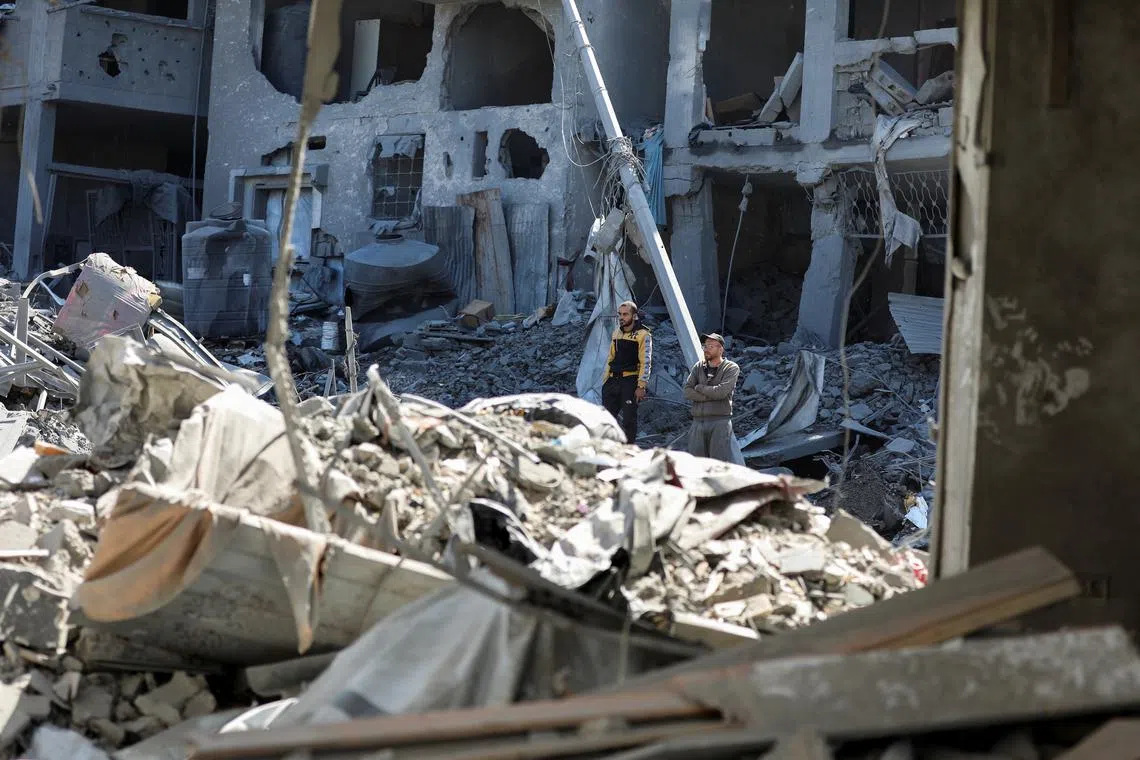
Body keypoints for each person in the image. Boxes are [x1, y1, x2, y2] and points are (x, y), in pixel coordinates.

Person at [683, 332, 740, 461]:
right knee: (696, 463)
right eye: (705, 346)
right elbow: (687, 391)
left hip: (719, 423)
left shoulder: (731, 368)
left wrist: (699, 387)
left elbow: (721, 392)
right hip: (698, 422)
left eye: (711, 346)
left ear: (721, 349)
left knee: (717, 464)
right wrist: (710, 396)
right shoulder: (698, 367)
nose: (706, 349)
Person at [601, 301, 652, 444]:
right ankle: (607, 450)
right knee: (606, 420)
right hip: (612, 381)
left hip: (629, 382)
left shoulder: (643, 334)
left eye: (625, 314)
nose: (621, 317)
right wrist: (606, 380)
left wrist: (641, 386)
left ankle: (628, 451)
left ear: (634, 316)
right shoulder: (617, 332)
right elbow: (611, 356)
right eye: (620, 314)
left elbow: (646, 362)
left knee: (629, 421)